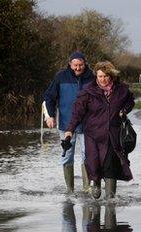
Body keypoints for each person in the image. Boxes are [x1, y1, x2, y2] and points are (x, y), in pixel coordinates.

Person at [64, 61, 135, 200]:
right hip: (93, 136)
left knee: (110, 166)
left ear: (112, 76)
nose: (103, 79)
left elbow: (130, 101)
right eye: (100, 76)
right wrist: (69, 130)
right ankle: (95, 183)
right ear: (96, 75)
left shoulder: (122, 90)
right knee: (94, 164)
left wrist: (124, 110)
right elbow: (77, 113)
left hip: (112, 135)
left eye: (106, 76)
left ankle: (110, 199)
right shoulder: (88, 91)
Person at [43, 52, 95, 193]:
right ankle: (70, 190)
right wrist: (50, 116)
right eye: (75, 65)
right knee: (67, 156)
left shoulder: (93, 77)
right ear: (70, 64)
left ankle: (86, 188)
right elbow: (49, 96)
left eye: (81, 65)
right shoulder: (61, 77)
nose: (78, 68)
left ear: (85, 64)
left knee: (88, 155)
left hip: (87, 125)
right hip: (66, 125)